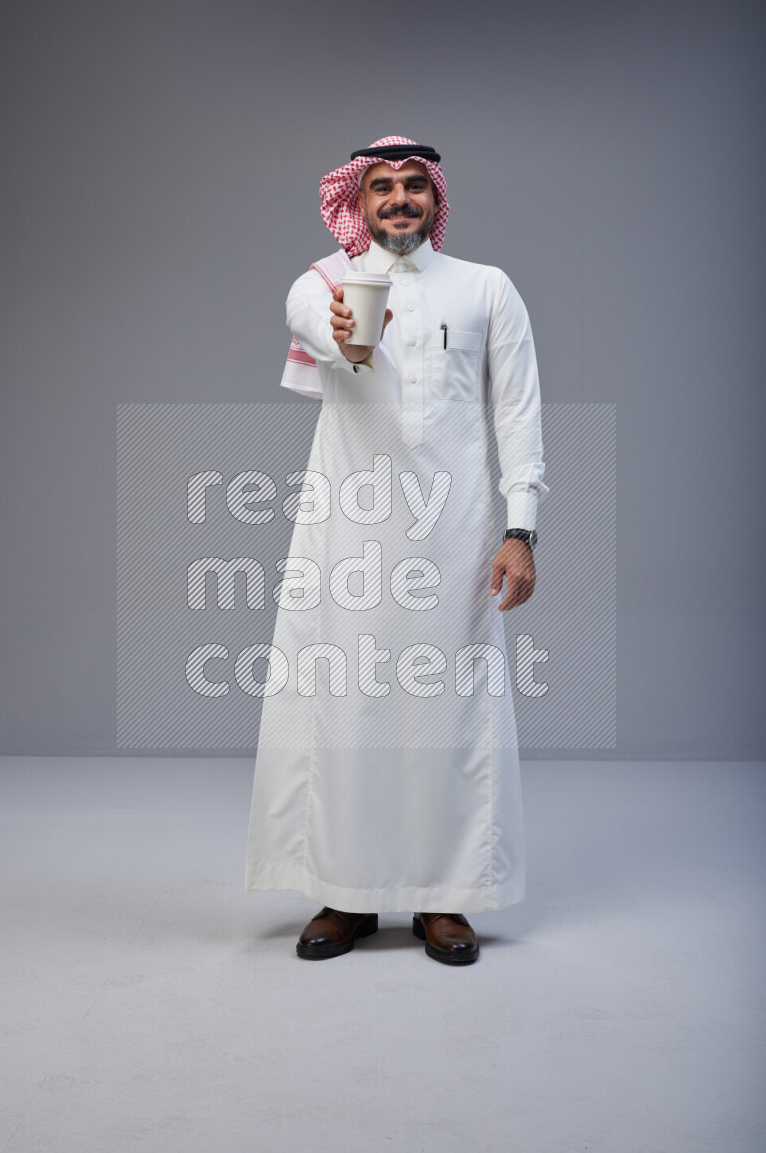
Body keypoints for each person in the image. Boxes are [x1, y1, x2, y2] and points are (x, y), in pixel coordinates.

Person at [244, 136, 549, 965]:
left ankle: (446, 897)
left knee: (448, 707)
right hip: (349, 529)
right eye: (383, 188)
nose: (400, 200)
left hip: (457, 534)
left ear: (435, 198)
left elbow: (518, 412)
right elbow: (320, 324)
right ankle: (345, 892)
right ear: (360, 201)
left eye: (416, 186)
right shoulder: (322, 283)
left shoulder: (487, 288)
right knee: (347, 704)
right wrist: (345, 332)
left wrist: (520, 530)